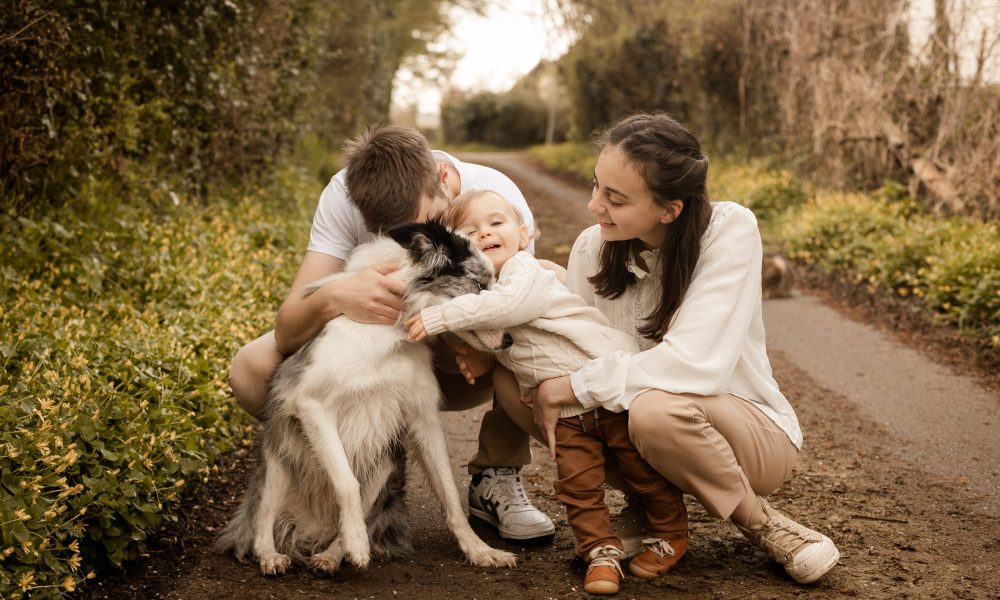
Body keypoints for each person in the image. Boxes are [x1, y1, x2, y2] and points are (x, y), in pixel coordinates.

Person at [489, 112, 841, 585]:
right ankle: (652, 505)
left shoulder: (729, 230)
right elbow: (567, 342)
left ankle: (762, 522)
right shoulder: (593, 247)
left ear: (669, 209)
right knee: (516, 384)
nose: (595, 206)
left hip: (746, 436)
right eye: (596, 187)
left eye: (616, 198)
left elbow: (694, 365)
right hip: (636, 434)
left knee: (653, 409)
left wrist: (575, 384)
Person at [227, 125, 555, 542]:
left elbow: (517, 305)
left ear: (442, 177)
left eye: (429, 224)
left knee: (541, 307)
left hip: (460, 362)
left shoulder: (491, 195)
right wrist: (335, 296)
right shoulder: (343, 194)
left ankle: (498, 473)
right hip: (373, 362)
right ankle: (348, 466)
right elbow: (288, 326)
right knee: (251, 369)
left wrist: (471, 342)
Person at [406, 189, 689, 595]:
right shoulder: (483, 295)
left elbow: (507, 308)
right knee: (577, 486)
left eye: (496, 223)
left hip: (604, 389)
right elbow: (482, 332)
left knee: (641, 471)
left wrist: (438, 316)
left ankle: (670, 531)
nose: (485, 233)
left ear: (524, 235)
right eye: (470, 231)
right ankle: (599, 551)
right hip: (568, 411)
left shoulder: (526, 272)